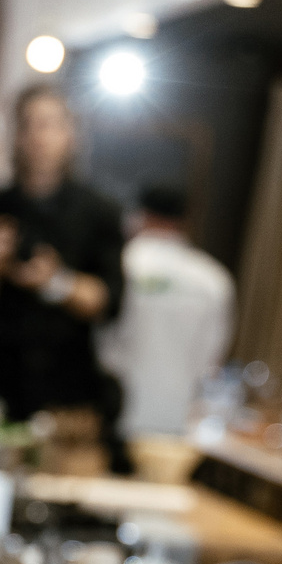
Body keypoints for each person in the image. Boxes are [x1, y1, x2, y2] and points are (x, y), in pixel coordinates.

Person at [0, 85, 126, 427]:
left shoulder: (99, 212)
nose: (38, 136)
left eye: (49, 125)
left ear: (70, 134)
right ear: (15, 135)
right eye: (28, 125)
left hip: (67, 392)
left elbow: (108, 304)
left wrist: (57, 283)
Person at [101, 183, 236, 440]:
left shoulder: (120, 264)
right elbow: (213, 360)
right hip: (181, 423)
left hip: (112, 416)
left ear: (139, 216)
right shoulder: (213, 279)